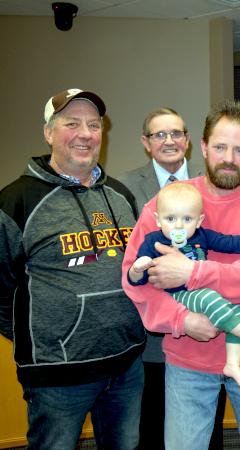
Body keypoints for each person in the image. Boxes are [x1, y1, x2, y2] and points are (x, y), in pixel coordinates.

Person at [122, 99, 240, 450]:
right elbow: (134, 278)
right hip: (188, 358)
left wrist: (192, 271)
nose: (228, 157)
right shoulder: (169, 201)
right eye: (219, 147)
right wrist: (182, 320)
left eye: (239, 149)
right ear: (202, 147)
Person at [0, 89, 145, 449]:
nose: (85, 133)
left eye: (93, 125)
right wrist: (45, 338)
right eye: (72, 123)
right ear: (49, 133)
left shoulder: (120, 196)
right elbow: (1, 288)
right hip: (58, 378)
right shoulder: (16, 201)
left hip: (126, 367)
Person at [118, 107, 209, 450]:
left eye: (176, 133)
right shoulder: (125, 187)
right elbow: (129, 264)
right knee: (153, 429)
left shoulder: (209, 181)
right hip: (153, 341)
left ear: (187, 140)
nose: (169, 141)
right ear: (146, 143)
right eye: (159, 135)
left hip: (206, 330)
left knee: (205, 429)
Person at [128, 182, 240, 392]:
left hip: (204, 291)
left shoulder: (200, 235)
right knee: (209, 299)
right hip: (180, 295)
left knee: (237, 311)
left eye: (187, 219)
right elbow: (135, 280)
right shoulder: (152, 241)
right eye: (170, 219)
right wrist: (138, 267)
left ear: (199, 221)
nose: (178, 226)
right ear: (158, 220)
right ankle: (239, 330)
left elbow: (227, 242)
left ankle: (232, 364)